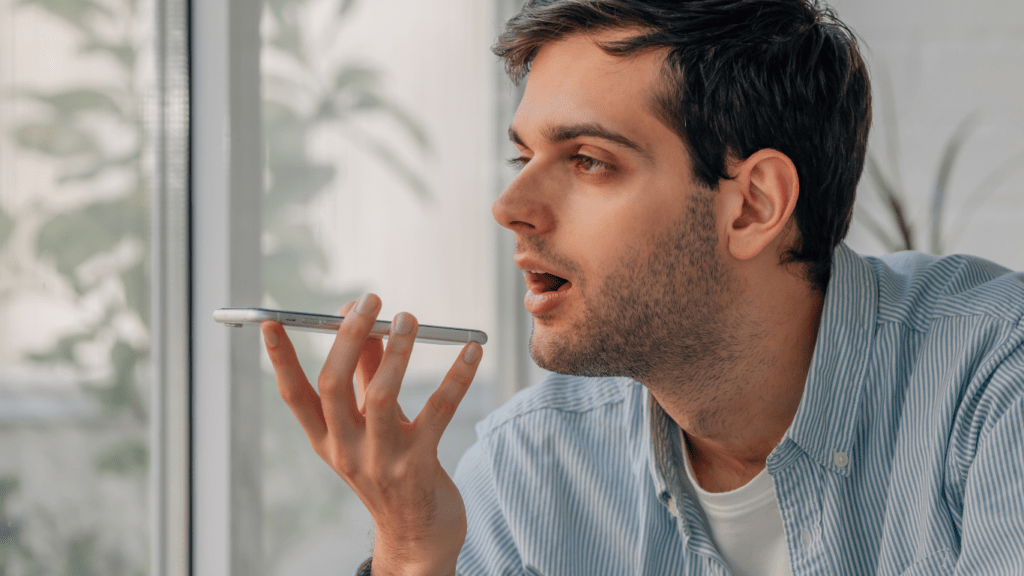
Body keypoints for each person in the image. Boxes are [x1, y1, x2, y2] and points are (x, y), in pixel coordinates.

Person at [260, 0, 1024, 574]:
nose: (511, 209)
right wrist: (412, 551)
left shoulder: (994, 386)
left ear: (753, 204)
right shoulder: (532, 469)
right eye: (520, 158)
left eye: (589, 160)